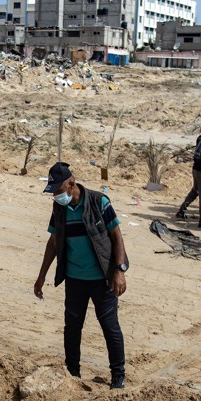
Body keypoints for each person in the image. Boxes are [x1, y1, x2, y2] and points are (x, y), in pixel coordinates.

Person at [36, 162, 129, 388]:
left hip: (102, 278)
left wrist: (119, 271)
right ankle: (73, 372)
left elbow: (116, 236)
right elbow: (54, 242)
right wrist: (41, 276)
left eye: (58, 191)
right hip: (75, 278)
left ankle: (118, 376)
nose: (57, 197)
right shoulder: (59, 209)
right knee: (72, 326)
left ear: (71, 184)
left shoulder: (99, 202)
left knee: (109, 326)